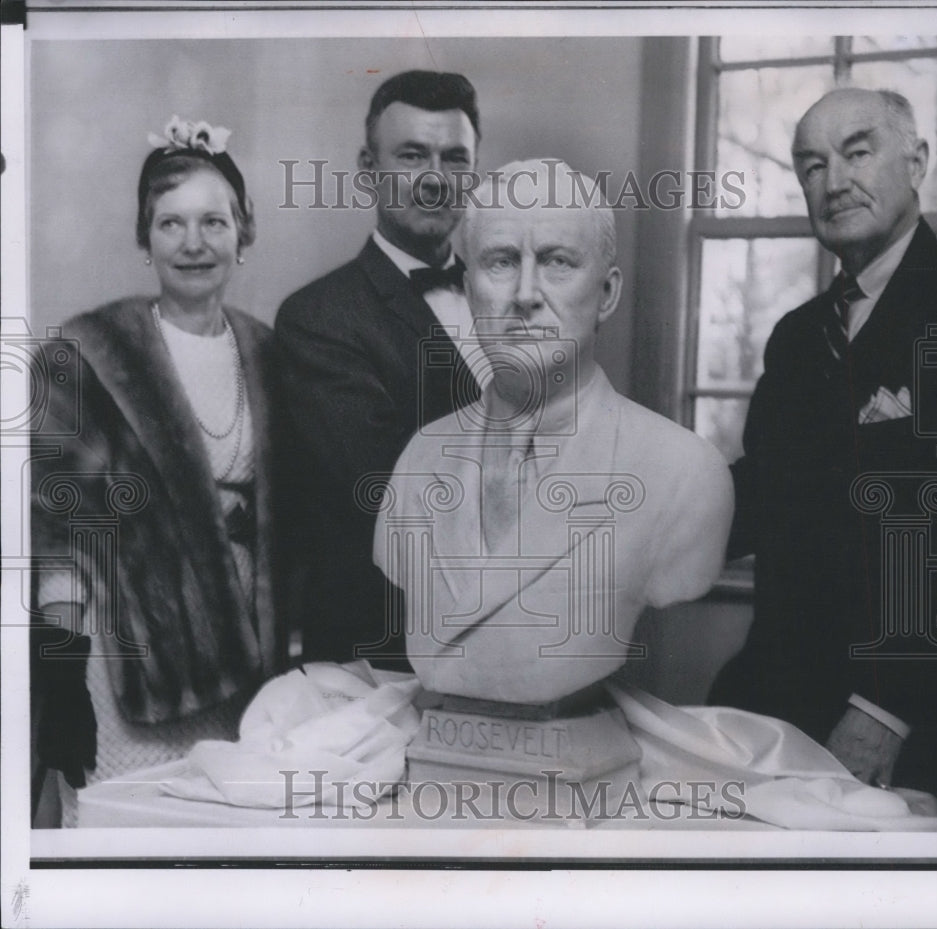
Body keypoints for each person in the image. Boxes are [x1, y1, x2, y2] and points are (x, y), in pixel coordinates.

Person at [708, 89, 937, 828]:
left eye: (858, 151)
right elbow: (761, 491)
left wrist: (887, 707)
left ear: (918, 161)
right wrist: (647, 512)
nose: (833, 180)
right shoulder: (797, 336)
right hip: (777, 696)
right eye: (811, 165)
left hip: (915, 718)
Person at [374, 160, 733, 705]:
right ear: (469, 292)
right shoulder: (420, 460)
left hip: (574, 771)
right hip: (445, 754)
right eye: (500, 263)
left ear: (607, 295)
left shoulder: (686, 473)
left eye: (556, 262)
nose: (525, 294)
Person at [31, 117, 286, 825]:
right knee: (121, 845)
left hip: (247, 671)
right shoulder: (87, 353)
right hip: (130, 669)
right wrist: (59, 672)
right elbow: (61, 530)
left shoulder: (268, 352)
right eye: (170, 223)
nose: (194, 242)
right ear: (145, 239)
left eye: (214, 220)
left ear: (245, 231)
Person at [275, 70, 485, 669]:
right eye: (413, 156)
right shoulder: (318, 318)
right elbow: (394, 497)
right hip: (380, 656)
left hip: (514, 645)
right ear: (369, 169)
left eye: (455, 159)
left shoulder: (512, 300)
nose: (435, 181)